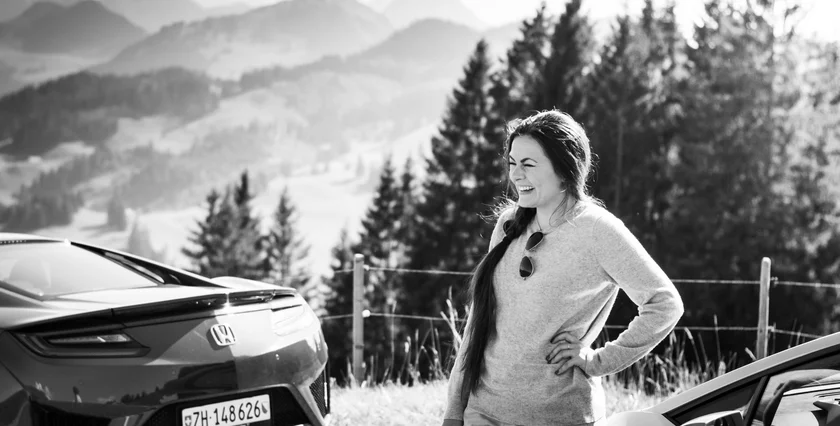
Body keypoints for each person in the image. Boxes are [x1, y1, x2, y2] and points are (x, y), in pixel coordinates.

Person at [441, 110, 684, 426]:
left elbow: (665, 304)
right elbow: (478, 324)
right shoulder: (508, 224)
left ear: (565, 167)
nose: (515, 175)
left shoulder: (598, 230)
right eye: (512, 163)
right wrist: (454, 411)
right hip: (483, 412)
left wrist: (598, 361)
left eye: (528, 164)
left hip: (560, 417)